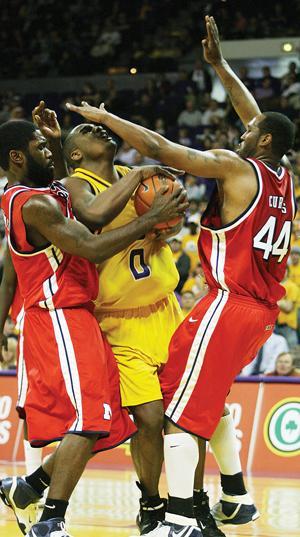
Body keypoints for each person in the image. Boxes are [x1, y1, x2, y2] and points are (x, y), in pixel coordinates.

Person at [66, 14, 296, 537]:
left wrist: (109, 117)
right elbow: (258, 116)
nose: (241, 130)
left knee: (174, 410)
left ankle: (181, 516)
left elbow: (162, 152)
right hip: (259, 311)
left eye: (248, 133)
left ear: (259, 145)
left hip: (228, 304)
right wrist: (219, 65)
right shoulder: (281, 174)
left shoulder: (239, 169)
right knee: (206, 402)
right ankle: (235, 496)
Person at [0, 119, 186, 537]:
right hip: (58, 314)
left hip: (80, 313)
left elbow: (7, 263)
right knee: (88, 419)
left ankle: (30, 488)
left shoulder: (45, 193)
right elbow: (90, 244)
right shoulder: (34, 204)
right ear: (17, 157)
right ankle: (51, 522)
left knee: (112, 419)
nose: (51, 151)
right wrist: (149, 215)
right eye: (40, 147)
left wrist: (55, 139)